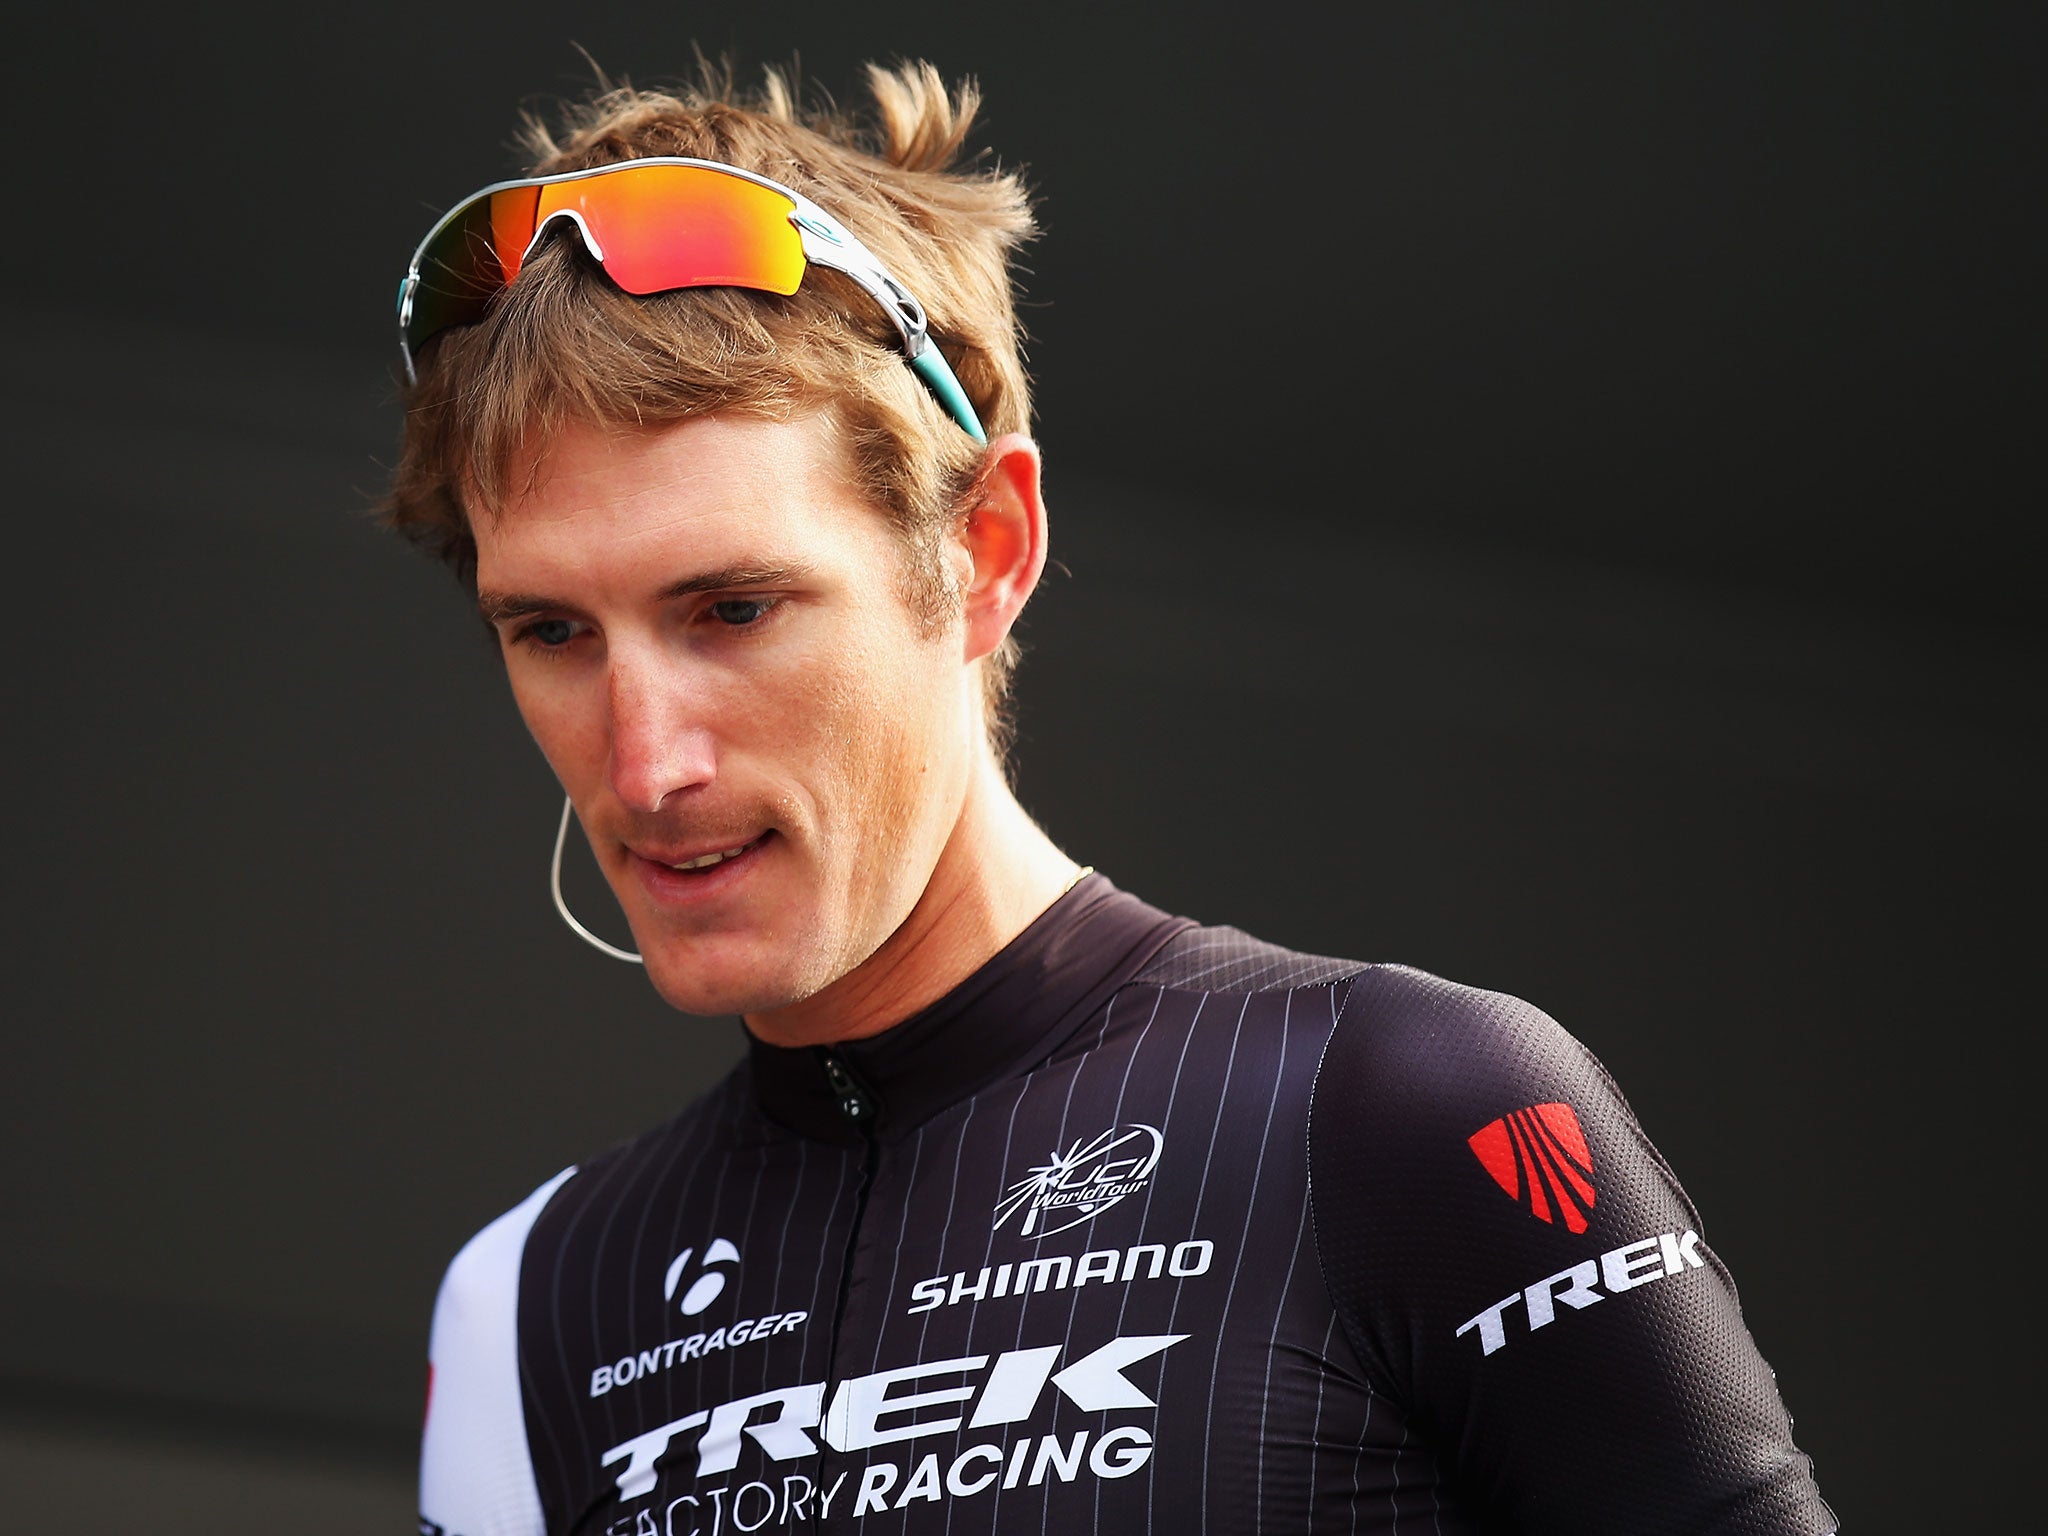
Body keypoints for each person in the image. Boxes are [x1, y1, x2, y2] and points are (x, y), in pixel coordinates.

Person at [388, 61, 1835, 1536]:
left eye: (736, 609)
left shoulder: (1410, 1107)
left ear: (987, 551)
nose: (647, 767)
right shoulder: (526, 1308)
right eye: (553, 631)